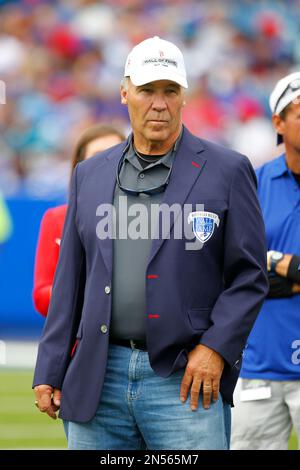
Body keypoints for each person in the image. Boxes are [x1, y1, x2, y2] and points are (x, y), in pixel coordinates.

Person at [33, 36, 268, 450]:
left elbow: (250, 275)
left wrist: (215, 348)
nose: (158, 103)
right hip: (98, 375)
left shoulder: (228, 170)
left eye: (170, 91)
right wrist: (50, 367)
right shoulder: (90, 174)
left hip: (185, 377)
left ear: (184, 97)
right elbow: (70, 280)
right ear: (125, 92)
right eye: (147, 90)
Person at [231, 72, 300, 450]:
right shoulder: (253, 183)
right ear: (278, 121)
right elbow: (238, 270)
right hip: (261, 365)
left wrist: (282, 268)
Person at [33, 124, 125, 316]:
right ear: (79, 166)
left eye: (117, 155)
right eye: (98, 157)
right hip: (78, 342)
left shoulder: (140, 219)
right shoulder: (58, 219)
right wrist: (87, 291)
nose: (109, 163)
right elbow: (42, 298)